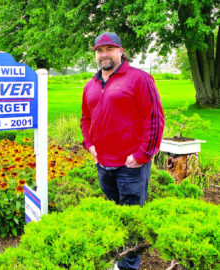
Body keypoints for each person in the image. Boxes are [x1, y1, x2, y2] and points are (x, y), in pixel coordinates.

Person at [80, 32, 164, 270]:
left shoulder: (140, 79)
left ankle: (129, 267)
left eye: (109, 49)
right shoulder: (91, 86)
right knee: (114, 218)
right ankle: (116, 262)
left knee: (132, 220)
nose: (104, 54)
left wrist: (142, 155)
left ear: (120, 50)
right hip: (103, 165)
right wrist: (90, 145)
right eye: (99, 50)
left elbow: (154, 119)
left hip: (131, 166)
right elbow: (86, 120)